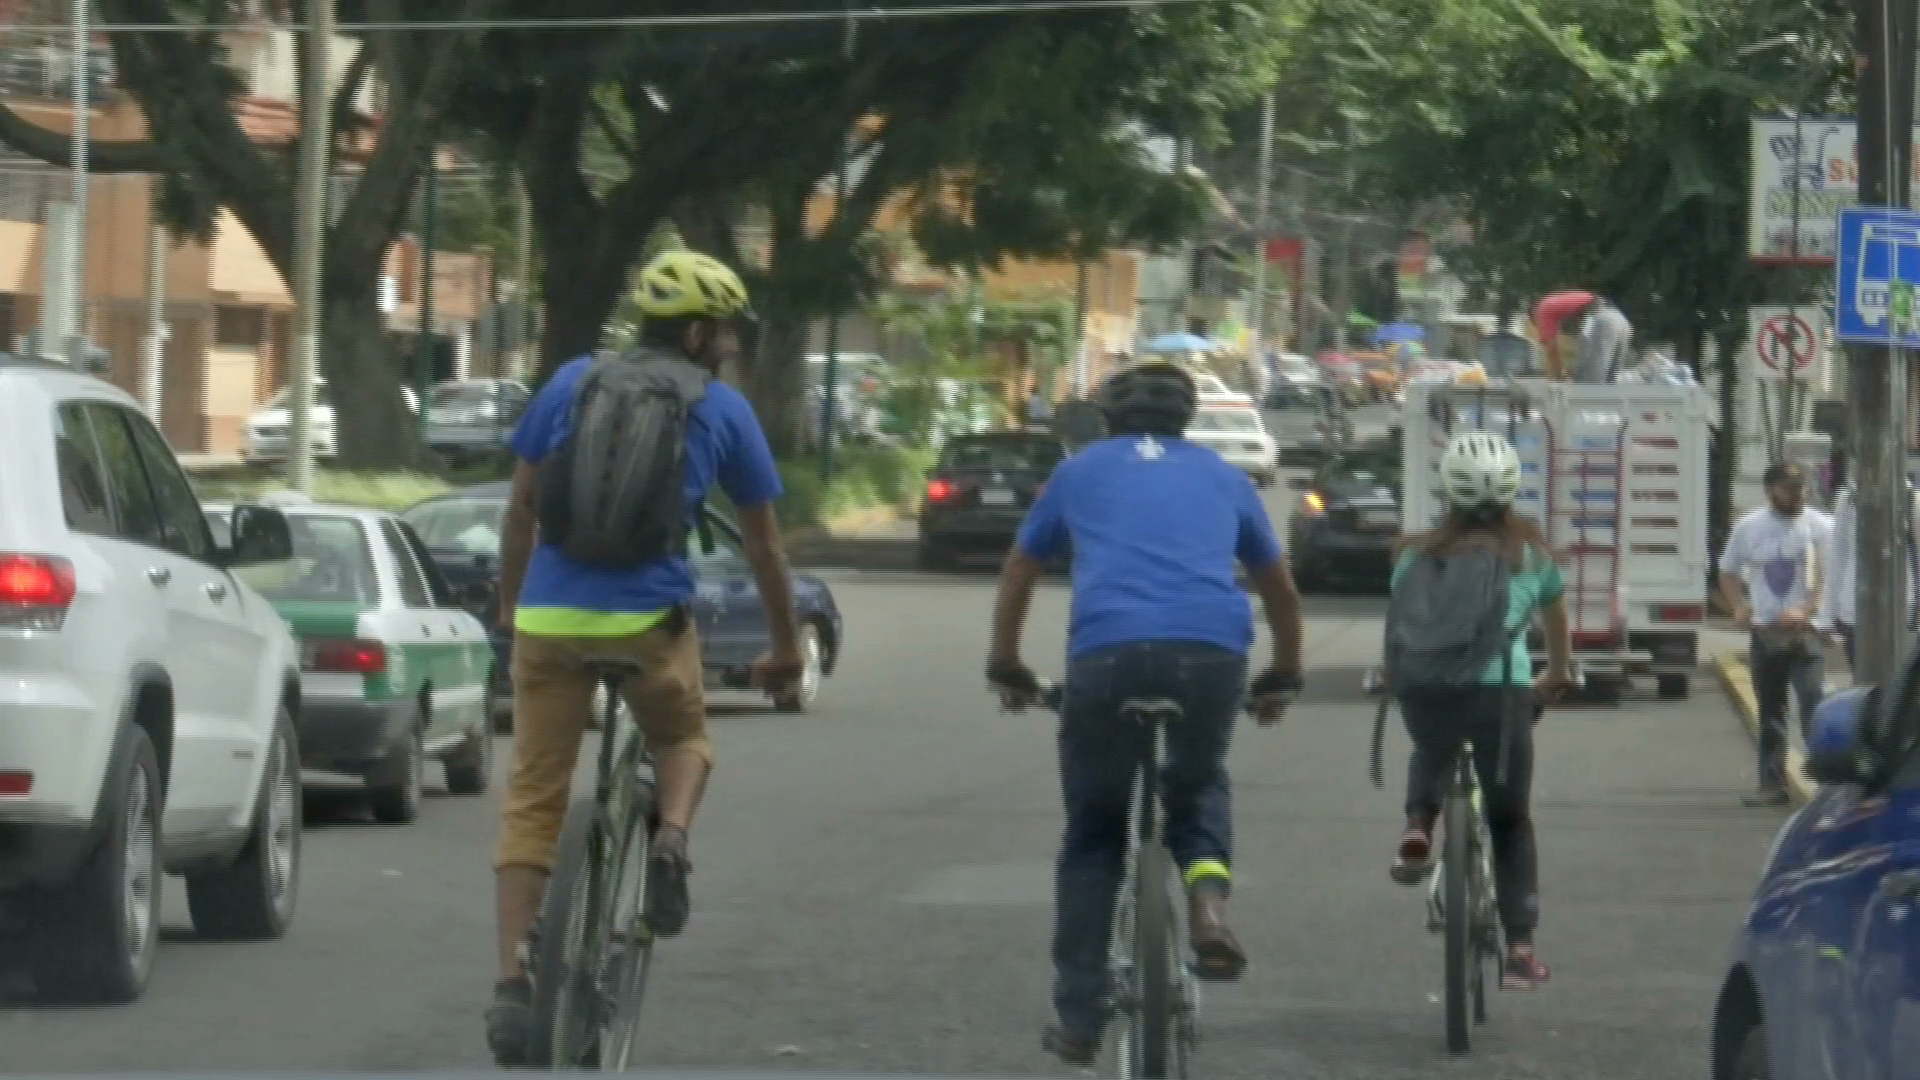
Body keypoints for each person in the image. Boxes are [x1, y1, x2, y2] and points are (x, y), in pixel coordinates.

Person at [484, 250, 805, 1064]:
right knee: (684, 740)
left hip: (551, 618)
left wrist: (510, 608)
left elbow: (521, 509)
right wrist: (784, 649)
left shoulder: (568, 384)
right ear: (697, 333)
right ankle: (670, 839)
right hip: (647, 621)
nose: (728, 346)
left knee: (534, 796)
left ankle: (514, 982)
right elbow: (764, 546)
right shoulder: (723, 409)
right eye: (724, 332)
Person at [982, 361, 1305, 1067]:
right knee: (1196, 788)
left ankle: (1079, 1017)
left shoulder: (1078, 472)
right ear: (1187, 421)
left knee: (1095, 834)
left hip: (1106, 658)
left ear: (1108, 419)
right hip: (1211, 655)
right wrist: (1283, 672)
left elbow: (1019, 570)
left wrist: (1004, 661)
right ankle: (1208, 911)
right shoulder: (1227, 478)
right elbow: (1278, 585)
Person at [1385, 431, 1573, 992]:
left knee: (1431, 749)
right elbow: (1558, 628)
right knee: (1510, 820)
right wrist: (1557, 676)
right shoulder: (1531, 557)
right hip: (1502, 692)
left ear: (1450, 493)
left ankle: (1419, 824)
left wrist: (1397, 681)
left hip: (1427, 688)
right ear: (1514, 491)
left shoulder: (1413, 554)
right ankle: (1519, 952)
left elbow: (1400, 626)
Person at [1718, 461, 1830, 808]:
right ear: (1771, 491)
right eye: (1790, 489)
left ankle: (1825, 784)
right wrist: (1738, 607)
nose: (1798, 495)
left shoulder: (1818, 526)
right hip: (1766, 633)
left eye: (1802, 488)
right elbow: (1728, 569)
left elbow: (1828, 575)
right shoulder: (1750, 527)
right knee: (1771, 710)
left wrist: (1808, 609)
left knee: (1813, 705)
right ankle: (1772, 784)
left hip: (1805, 633)